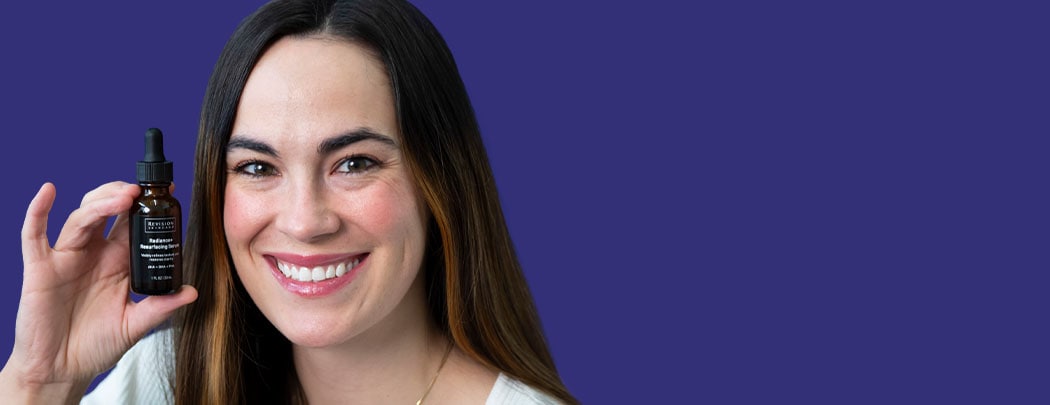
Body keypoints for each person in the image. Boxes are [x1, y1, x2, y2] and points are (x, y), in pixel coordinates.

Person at [0, 0, 578, 403]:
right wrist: (40, 382)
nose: (304, 221)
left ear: (441, 184)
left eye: (354, 163)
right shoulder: (170, 379)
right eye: (257, 167)